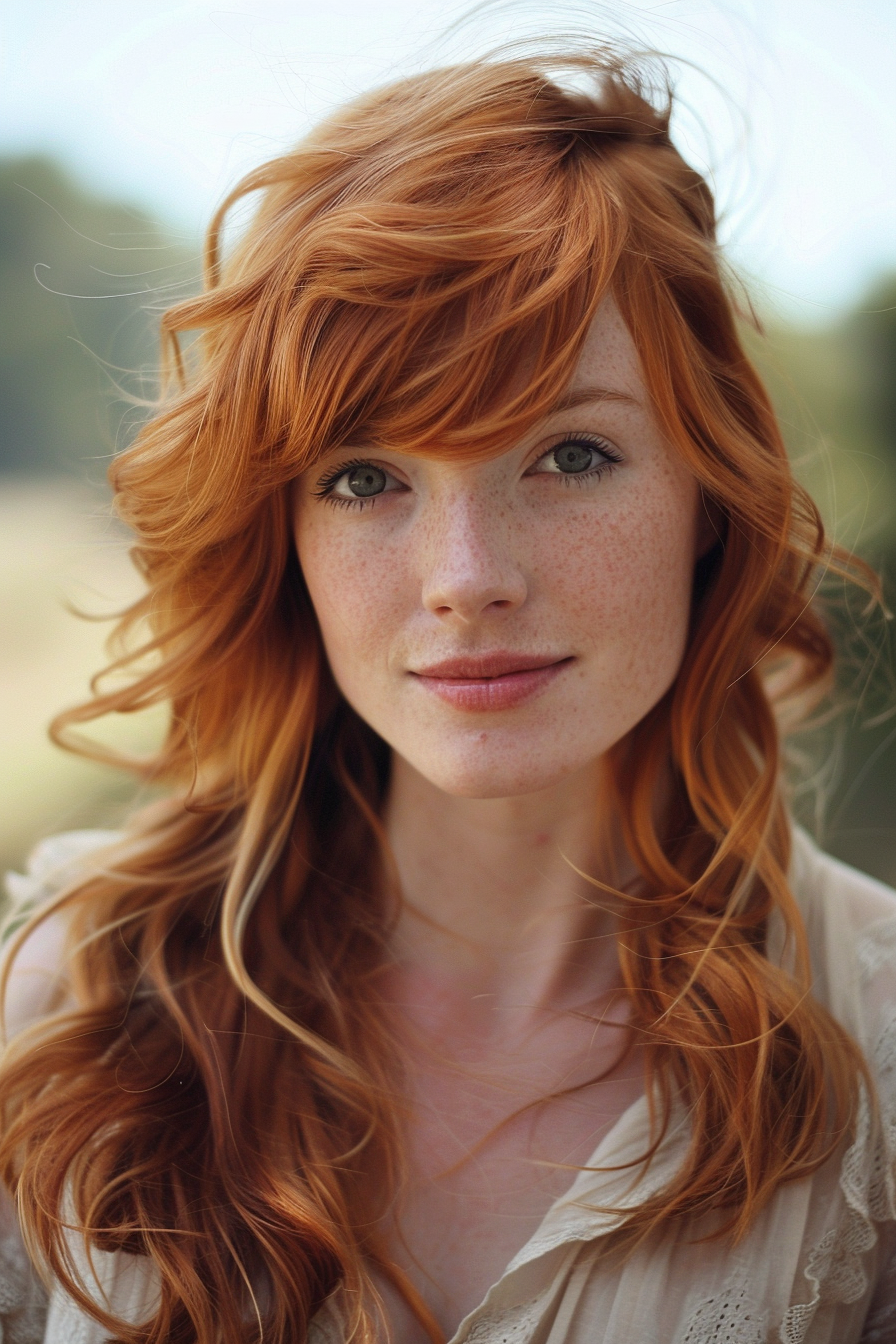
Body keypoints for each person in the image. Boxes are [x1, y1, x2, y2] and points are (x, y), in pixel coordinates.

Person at [0, 43, 894, 1344]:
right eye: (366, 477)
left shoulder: (876, 1044)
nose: (466, 580)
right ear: (283, 534)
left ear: (707, 496)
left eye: (571, 454)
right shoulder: (61, 1002)